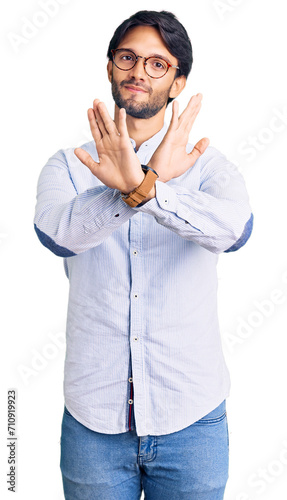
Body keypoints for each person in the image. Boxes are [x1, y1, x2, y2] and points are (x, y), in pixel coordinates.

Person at [34, 10, 253, 500]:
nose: (139, 71)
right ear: (110, 68)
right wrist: (141, 184)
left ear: (177, 83)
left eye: (158, 64)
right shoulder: (70, 165)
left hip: (191, 419)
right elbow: (56, 236)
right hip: (94, 423)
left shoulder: (207, 164)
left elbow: (236, 231)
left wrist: (146, 187)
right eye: (128, 58)